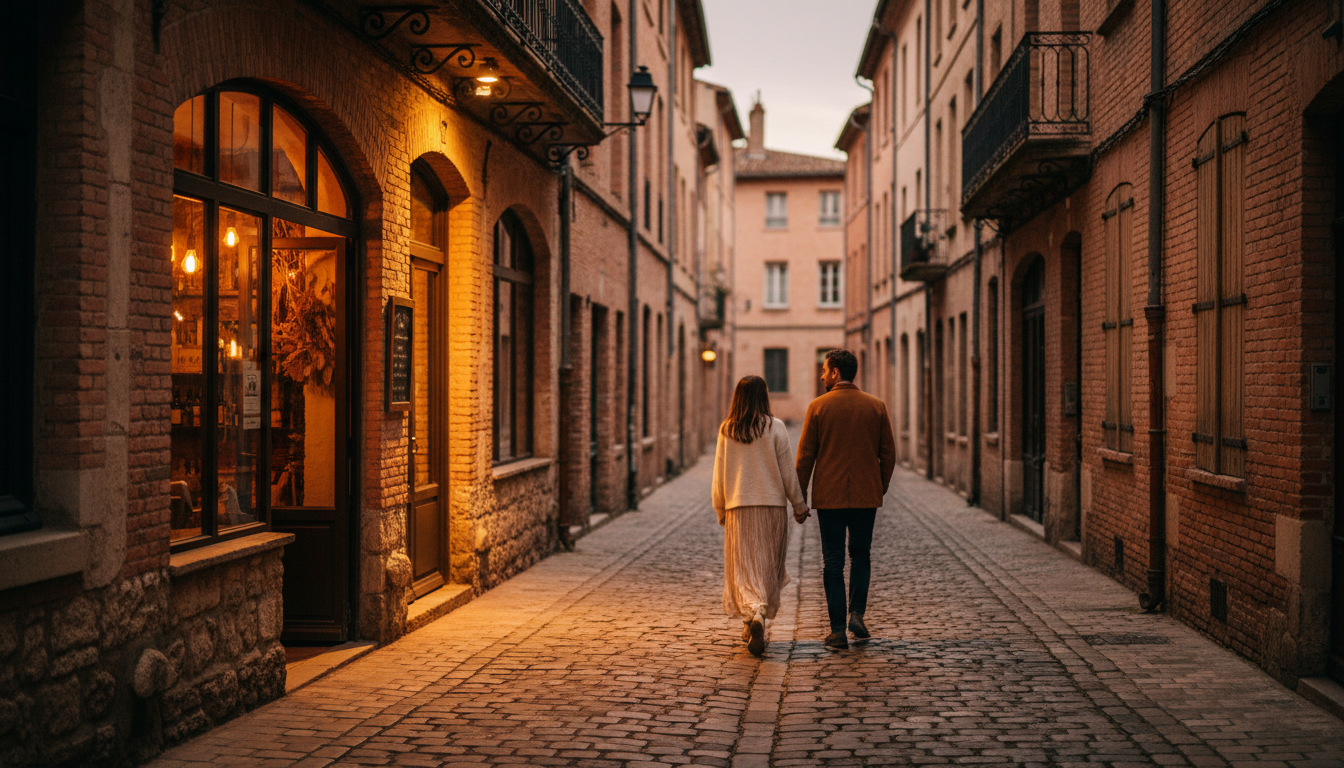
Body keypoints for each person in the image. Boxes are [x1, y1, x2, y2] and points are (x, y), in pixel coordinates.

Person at [795, 349, 896, 650]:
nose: (822, 375)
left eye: (825, 370)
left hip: (830, 498)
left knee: (833, 562)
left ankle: (837, 630)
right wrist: (879, 487)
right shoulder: (876, 406)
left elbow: (804, 458)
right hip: (866, 496)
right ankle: (857, 614)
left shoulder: (818, 407)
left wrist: (800, 499)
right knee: (861, 556)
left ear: (836, 372)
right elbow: (888, 454)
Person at [712, 375, 809, 656]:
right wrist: (799, 506)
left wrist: (720, 508)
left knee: (743, 568)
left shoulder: (727, 429)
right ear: (764, 396)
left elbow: (719, 476)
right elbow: (787, 472)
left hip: (739, 509)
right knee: (767, 567)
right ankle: (758, 616)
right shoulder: (775, 427)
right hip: (771, 508)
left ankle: (751, 617)